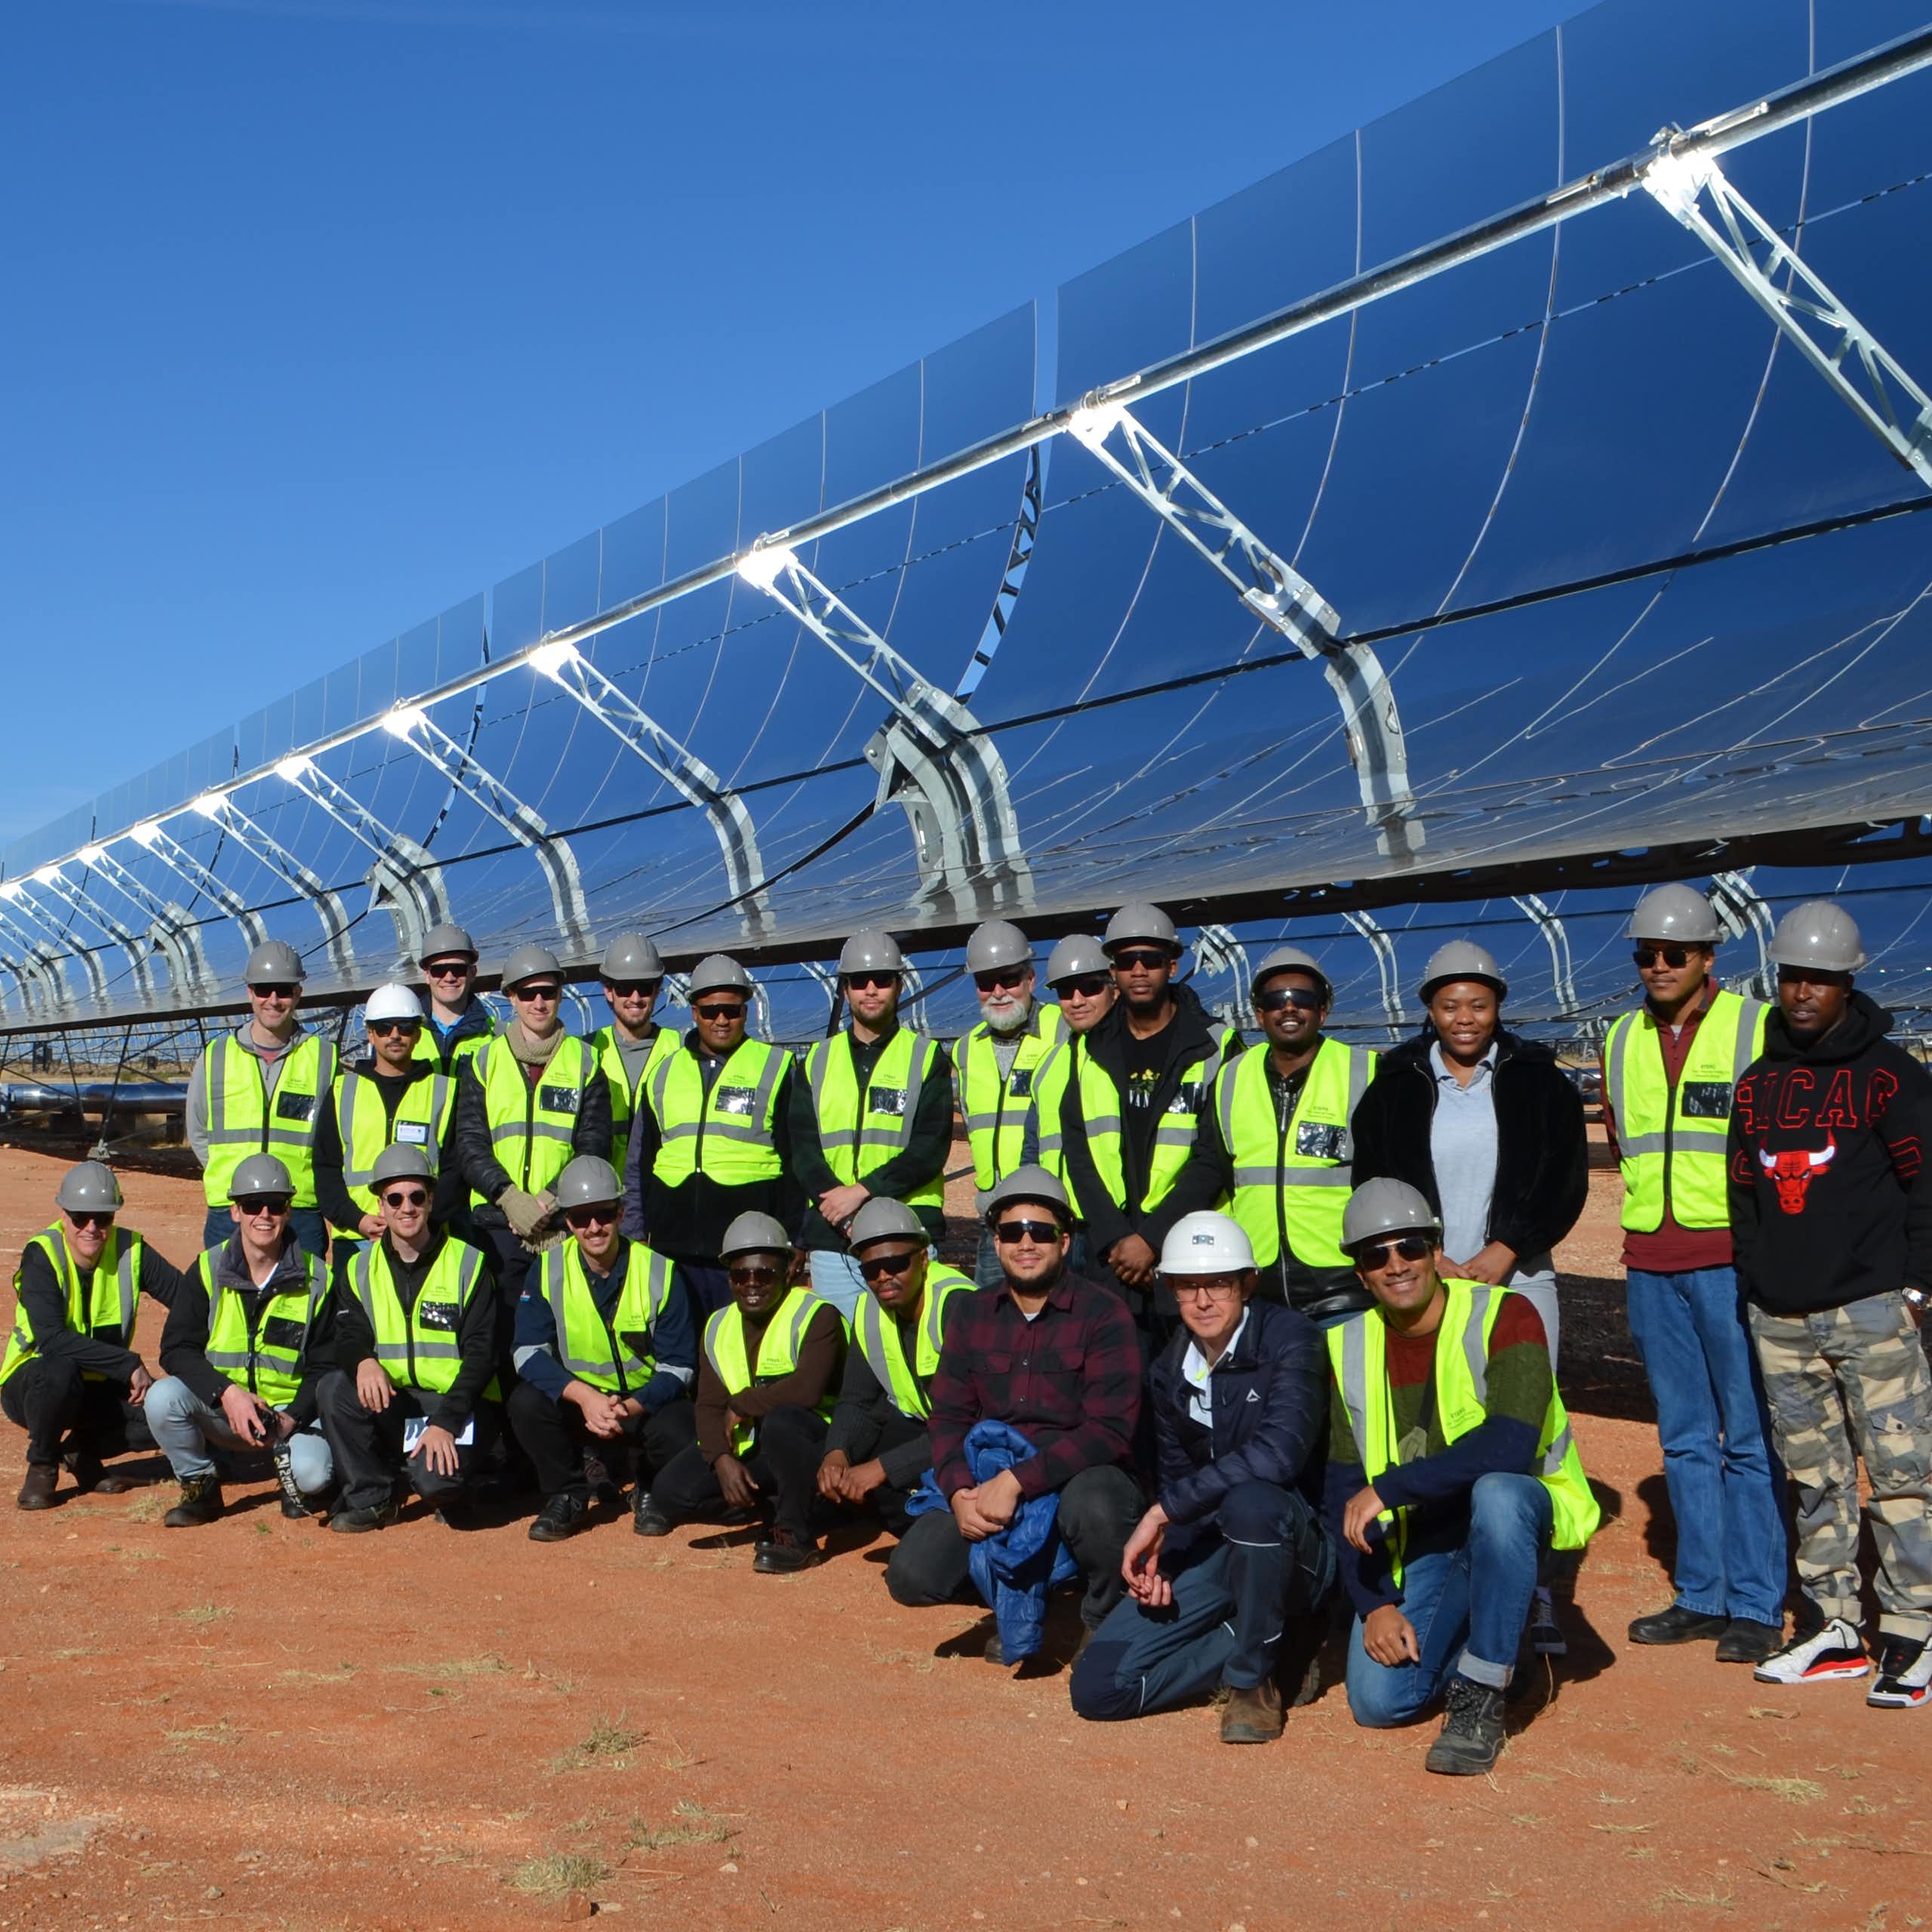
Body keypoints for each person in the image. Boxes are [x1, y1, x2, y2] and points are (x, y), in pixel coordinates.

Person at [1349, 940, 1586, 1652]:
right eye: (1450, 1005)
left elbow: (1562, 1175)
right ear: (1429, 1009)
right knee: (1432, 1416)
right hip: (1423, 1275)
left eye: (1478, 1005)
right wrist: (1434, 1257)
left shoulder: (1538, 1079)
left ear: (1498, 1007)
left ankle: (1534, 1588)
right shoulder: (1395, 1083)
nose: (1464, 1018)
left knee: (1523, 1426)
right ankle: (1437, 1565)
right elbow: (1378, 1173)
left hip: (1516, 1273)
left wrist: (1504, 1248)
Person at [1727, 900, 1932, 1707]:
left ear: (1847, 983)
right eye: (1791, 977)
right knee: (1813, 1476)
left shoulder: (1890, 1074)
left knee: (1902, 1473)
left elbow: (1925, 1186)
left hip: (1872, 1309)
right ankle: (1834, 1623)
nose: (1802, 992)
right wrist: (1757, 1280)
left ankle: (1914, 1630)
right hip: (1780, 1316)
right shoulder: (1757, 1084)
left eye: (1819, 978)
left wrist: (1916, 1287)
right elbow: (1744, 1193)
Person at [1325, 1178, 1598, 1775]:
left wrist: (1391, 1489)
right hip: (1428, 1544)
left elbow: (1510, 1444)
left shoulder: (1506, 1313)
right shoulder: (1346, 1346)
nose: (1397, 1265)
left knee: (1497, 1493)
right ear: (1360, 1273)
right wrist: (1374, 1603)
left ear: (1435, 1250)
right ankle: (1503, 1644)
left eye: (1411, 1248)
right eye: (1377, 1255)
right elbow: (1343, 1489)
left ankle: (1481, 1697)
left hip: (1522, 1523)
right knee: (1378, 1702)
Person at [1603, 884, 1785, 1666]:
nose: (1658, 966)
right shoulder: (1617, 1038)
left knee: (1746, 1437)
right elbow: (1620, 1142)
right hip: (1651, 1261)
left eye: (1674, 953)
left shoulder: (1756, 1027)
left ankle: (1755, 1602)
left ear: (1709, 957)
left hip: (1732, 1262)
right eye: (1646, 954)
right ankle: (1700, 1594)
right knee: (1682, 1438)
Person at [1071, 1213, 1334, 1741]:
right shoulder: (1170, 1372)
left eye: (1218, 1283)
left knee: (1252, 1503)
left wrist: (1163, 1513)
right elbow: (1178, 1482)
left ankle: (1252, 1681)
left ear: (1247, 1284)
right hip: (1220, 1552)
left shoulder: (1292, 1340)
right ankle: (1258, 1640)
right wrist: (1166, 1559)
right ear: (1170, 1289)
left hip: (1296, 1547)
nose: (1204, 1301)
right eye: (1188, 1286)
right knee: (1098, 1689)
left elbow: (1278, 1458)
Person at [887, 1168, 1143, 1663]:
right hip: (991, 1477)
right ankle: (1014, 1597)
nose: (1026, 1242)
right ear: (996, 1241)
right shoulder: (971, 1313)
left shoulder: (1104, 1314)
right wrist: (960, 1490)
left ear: (1065, 1242)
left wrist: (1019, 1481)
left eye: (1041, 1231)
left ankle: (1102, 1616)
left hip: (1075, 1475)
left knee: (1099, 1507)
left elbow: (1109, 1431)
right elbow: (947, 1419)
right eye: (1011, 1231)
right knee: (913, 1576)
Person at [1158, 945, 1377, 1326]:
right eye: (1276, 1000)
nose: (1289, 1008)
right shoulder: (1231, 1077)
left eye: (1303, 999)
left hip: (1345, 1288)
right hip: (1259, 1291)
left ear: (1323, 1010)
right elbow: (1218, 1172)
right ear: (1260, 1014)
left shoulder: (1366, 1070)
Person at [1057, 902, 1237, 1321]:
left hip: (1189, 1251)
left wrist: (1152, 1239)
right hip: (1114, 1260)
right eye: (1126, 961)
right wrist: (1117, 1239)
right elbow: (1079, 1151)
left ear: (1172, 967)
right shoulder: (1089, 1050)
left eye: (1151, 960)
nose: (1138, 970)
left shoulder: (1215, 1046)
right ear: (1114, 972)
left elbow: (1215, 1153)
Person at [638, 1212, 844, 1572]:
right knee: (670, 1495)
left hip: (813, 1446)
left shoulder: (817, 1314)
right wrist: (720, 1459)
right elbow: (707, 1405)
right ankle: (780, 1509)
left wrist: (742, 1404)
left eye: (764, 1274)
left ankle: (796, 1534)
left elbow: (807, 1390)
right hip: (756, 1448)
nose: (752, 1284)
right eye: (740, 1275)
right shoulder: (718, 1325)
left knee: (782, 1421)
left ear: (786, 1271)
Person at [509, 1155, 698, 1543]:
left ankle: (649, 1487)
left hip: (640, 1405)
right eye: (581, 1218)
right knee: (525, 1403)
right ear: (567, 1222)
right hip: (580, 1404)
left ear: (621, 1212)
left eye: (604, 1214)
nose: (594, 1227)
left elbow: (679, 1368)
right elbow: (526, 1351)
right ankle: (567, 1493)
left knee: (683, 1425)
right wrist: (586, 1398)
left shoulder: (660, 1270)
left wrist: (627, 1406)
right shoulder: (547, 1269)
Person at [314, 1145, 499, 1532]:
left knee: (436, 1485)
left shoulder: (469, 1263)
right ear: (380, 1206)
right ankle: (374, 1498)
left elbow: (483, 1355)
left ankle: (449, 1477)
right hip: (396, 1402)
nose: (407, 1207)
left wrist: (446, 1422)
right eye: (394, 1198)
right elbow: (349, 1335)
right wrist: (363, 1362)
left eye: (417, 1197)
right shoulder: (359, 1267)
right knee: (334, 1388)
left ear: (431, 1200)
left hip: (456, 1407)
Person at [146, 1154, 336, 1527]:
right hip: (223, 1413)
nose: (264, 1215)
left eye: (275, 1204)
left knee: (313, 1475)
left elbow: (326, 1365)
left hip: (288, 1419)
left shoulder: (319, 1278)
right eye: (252, 1204)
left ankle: (290, 1476)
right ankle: (200, 1482)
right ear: (235, 1212)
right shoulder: (206, 1269)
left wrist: (290, 1418)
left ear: (289, 1211)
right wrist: (227, 1393)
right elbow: (176, 1349)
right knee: (161, 1398)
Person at [622, 952, 795, 1317]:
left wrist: (795, 1239)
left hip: (748, 1249)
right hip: (673, 1246)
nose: (721, 1019)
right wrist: (635, 1231)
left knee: (742, 1348)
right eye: (710, 1010)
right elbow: (639, 1162)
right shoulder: (663, 1073)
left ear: (746, 1012)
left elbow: (797, 1164)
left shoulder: (776, 1067)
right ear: (694, 1012)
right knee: (682, 1349)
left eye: (731, 1011)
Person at [792, 930, 949, 1321]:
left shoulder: (926, 1057)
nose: (871, 990)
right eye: (860, 981)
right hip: (833, 1242)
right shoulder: (816, 1060)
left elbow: (929, 1148)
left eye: (882, 980)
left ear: (898, 985)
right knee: (844, 1352)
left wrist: (862, 1194)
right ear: (845, 989)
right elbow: (804, 1148)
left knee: (910, 1348)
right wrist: (842, 1213)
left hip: (907, 1231)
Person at [4, 1161, 181, 1509]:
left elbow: (187, 1298)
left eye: (102, 1219)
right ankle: (42, 1464)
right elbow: (52, 1339)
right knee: (59, 1370)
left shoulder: (131, 1250)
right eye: (80, 1217)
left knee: (171, 1411)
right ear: (63, 1213)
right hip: (33, 1387)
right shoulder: (42, 1253)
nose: (91, 1228)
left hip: (98, 1386)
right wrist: (128, 1362)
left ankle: (79, 1451)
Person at [451, 943, 612, 1308]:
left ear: (560, 995)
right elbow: (471, 1144)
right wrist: (510, 1199)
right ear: (511, 997)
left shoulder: (586, 1062)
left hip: (564, 1226)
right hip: (496, 1227)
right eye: (528, 993)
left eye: (548, 993)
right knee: (504, 1334)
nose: (539, 1003)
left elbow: (593, 1144)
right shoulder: (484, 1062)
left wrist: (548, 1201)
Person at [817, 1197, 978, 1541]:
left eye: (896, 1263)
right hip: (925, 1432)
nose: (884, 1277)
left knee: (912, 1570)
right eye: (871, 1270)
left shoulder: (959, 1305)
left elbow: (974, 1421)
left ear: (923, 1259)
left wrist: (882, 1469)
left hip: (976, 1441)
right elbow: (858, 1400)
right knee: (825, 1444)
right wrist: (837, 1453)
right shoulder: (869, 1311)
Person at [185, 938, 338, 1258]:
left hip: (299, 1209)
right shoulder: (217, 1056)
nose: (273, 1000)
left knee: (302, 1301)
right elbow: (198, 1129)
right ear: (250, 992)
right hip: (232, 1208)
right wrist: (227, 1175)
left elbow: (334, 1139)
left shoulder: (324, 1058)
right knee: (228, 1300)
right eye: (264, 989)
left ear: (298, 993)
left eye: (283, 990)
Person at [313, 983, 462, 1254]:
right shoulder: (342, 1091)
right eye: (384, 1028)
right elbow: (325, 1167)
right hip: (357, 1238)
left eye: (405, 1027)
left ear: (418, 1034)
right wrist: (356, 1219)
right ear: (370, 1034)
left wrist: (418, 1220)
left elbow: (455, 1170)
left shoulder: (444, 1091)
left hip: (423, 1237)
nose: (395, 1035)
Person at [954, 920, 1063, 1288]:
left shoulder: (1062, 1030)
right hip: (995, 1222)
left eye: (1010, 979)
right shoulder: (966, 1048)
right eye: (986, 983)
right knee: (995, 1328)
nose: (999, 992)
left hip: (1052, 1216)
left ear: (1031, 979)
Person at [1023, 932, 1115, 1206]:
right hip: (1061, 1218)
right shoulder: (1049, 1066)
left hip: (1120, 1223)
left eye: (1090, 987)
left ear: (1115, 987)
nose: (1077, 1001)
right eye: (1065, 991)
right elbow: (1032, 1149)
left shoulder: (1138, 1057)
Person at [590, 932, 679, 1189]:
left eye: (645, 988)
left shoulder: (680, 1050)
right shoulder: (585, 1051)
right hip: (602, 1196)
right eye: (625, 988)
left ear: (658, 990)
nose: (636, 998)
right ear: (608, 992)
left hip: (662, 1191)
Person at [413, 922, 496, 1074]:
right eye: (439, 970)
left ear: (472, 972)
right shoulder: (403, 1033)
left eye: (458, 969)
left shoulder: (497, 1036)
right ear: (427, 975)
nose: (449, 978)